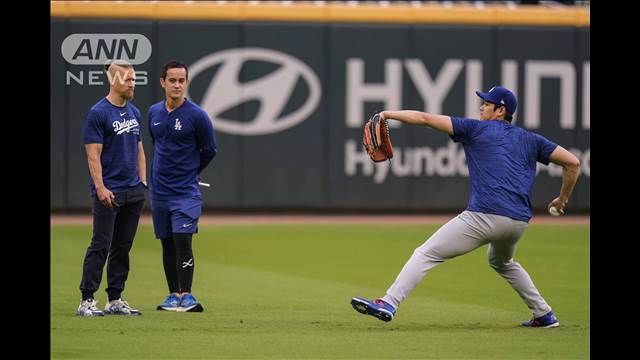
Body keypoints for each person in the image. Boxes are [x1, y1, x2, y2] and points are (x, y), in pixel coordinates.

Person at [351, 86, 580, 328]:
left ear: (501, 110)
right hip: (518, 223)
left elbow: (425, 119)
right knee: (502, 261)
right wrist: (562, 199)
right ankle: (543, 314)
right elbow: (573, 163)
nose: (481, 107)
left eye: (487, 103)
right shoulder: (531, 139)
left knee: (425, 253)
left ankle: (389, 302)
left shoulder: (475, 128)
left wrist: (387, 114)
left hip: (484, 216)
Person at [78, 60, 147, 316]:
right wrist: (100, 187)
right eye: (128, 79)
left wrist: (143, 182)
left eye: (134, 80)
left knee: (123, 247)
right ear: (113, 80)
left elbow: (140, 149)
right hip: (109, 192)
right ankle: (87, 300)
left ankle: (115, 298)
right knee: (101, 244)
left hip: (133, 191)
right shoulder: (98, 113)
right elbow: (92, 155)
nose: (132, 84)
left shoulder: (135, 112)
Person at [148, 60, 217, 312]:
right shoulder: (153, 113)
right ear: (163, 82)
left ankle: (187, 295)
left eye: (181, 80)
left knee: (182, 239)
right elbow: (157, 144)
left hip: (185, 192)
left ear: (186, 83)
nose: (177, 85)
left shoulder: (197, 116)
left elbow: (210, 150)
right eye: (172, 80)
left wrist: (192, 171)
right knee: (166, 241)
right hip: (159, 192)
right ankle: (172, 295)